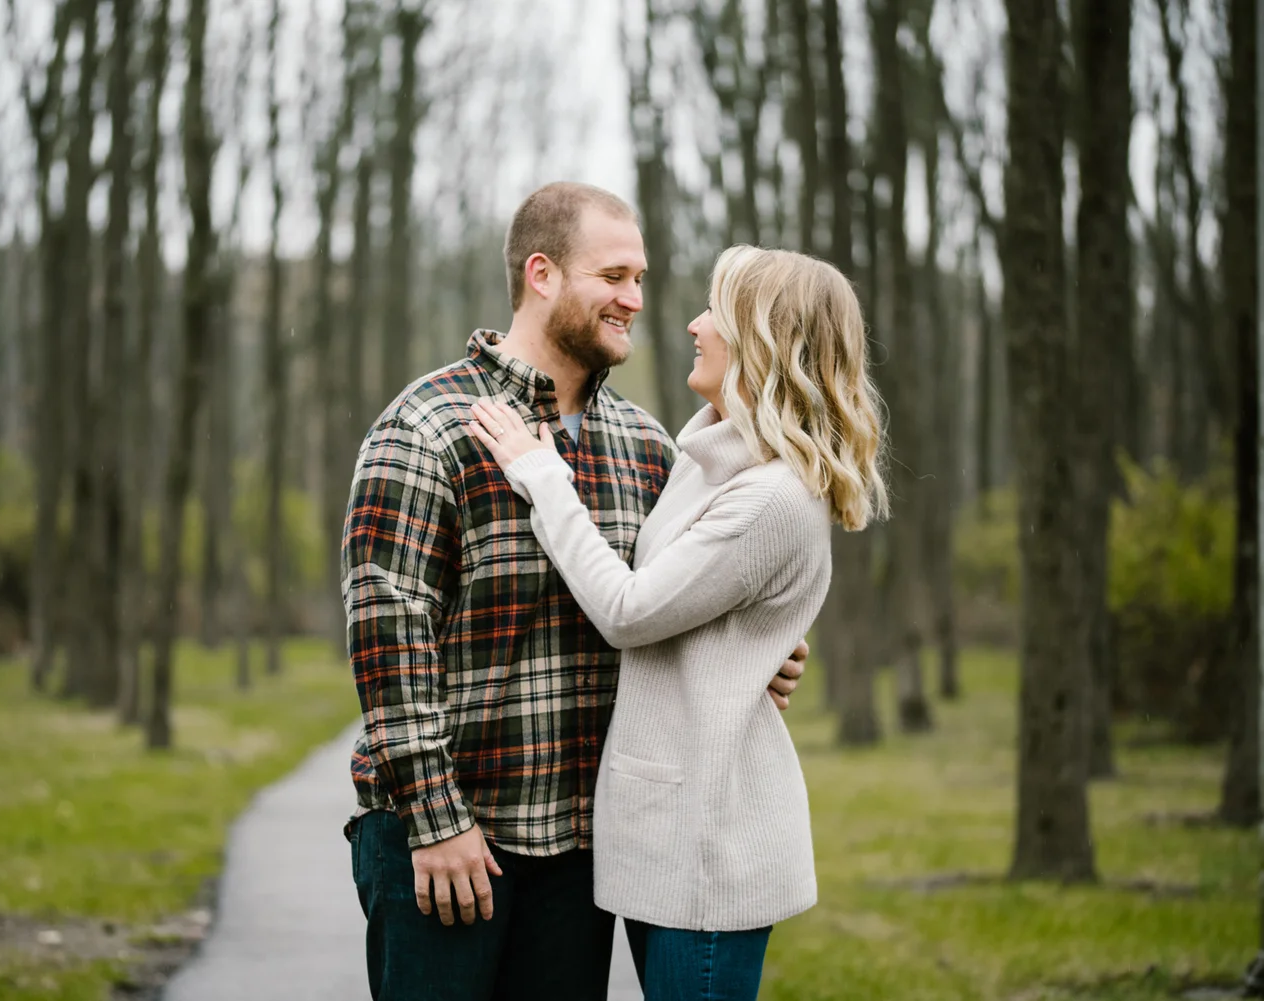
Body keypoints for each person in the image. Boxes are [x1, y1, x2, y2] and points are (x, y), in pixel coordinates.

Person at [340, 182, 809, 1001]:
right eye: (614, 275)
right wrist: (435, 818)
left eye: (642, 278)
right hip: (450, 842)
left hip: (584, 848)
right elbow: (389, 633)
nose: (635, 299)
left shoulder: (648, 446)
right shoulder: (429, 426)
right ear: (542, 274)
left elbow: (671, 596)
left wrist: (748, 651)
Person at [468, 245, 888, 1000]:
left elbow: (630, 610)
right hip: (664, 827)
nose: (693, 323)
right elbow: (698, 602)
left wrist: (540, 474)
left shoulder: (773, 498)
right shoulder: (709, 454)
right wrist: (765, 649)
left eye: (715, 313)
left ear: (763, 340)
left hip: (710, 844)